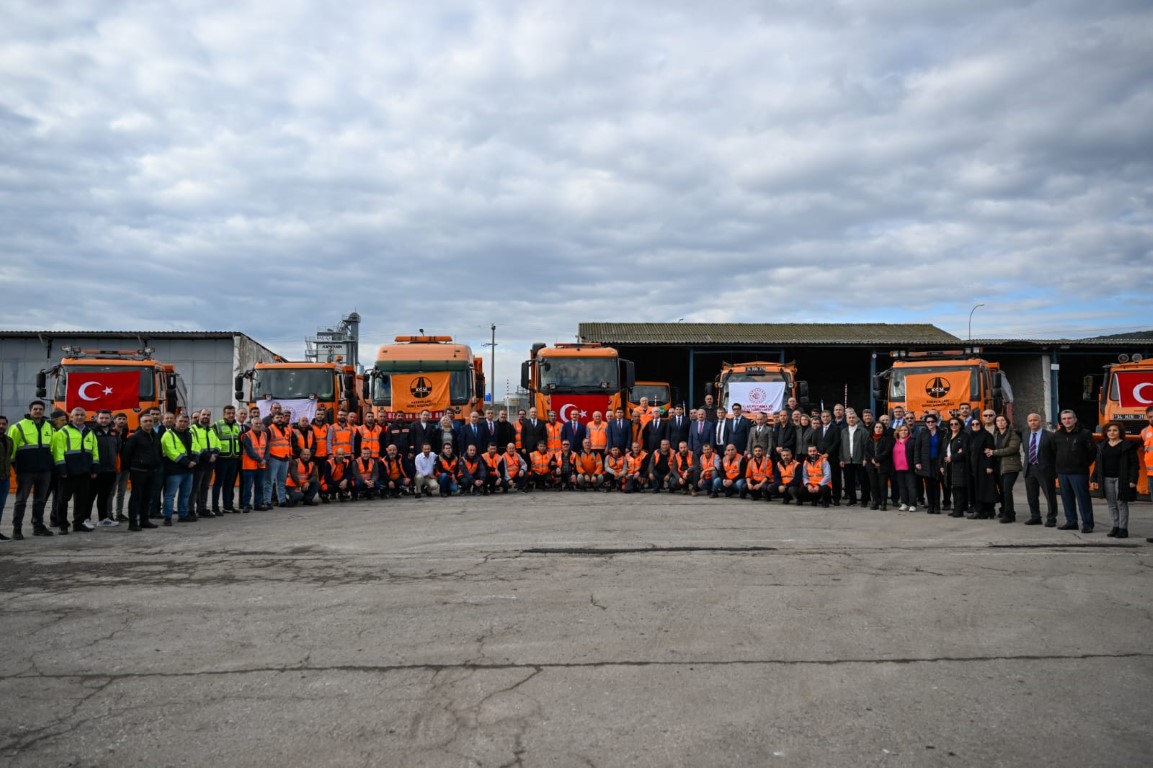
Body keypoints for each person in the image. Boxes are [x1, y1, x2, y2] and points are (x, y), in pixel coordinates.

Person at [8, 400, 56, 538]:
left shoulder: (49, 426)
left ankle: (38, 526)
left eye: (40, 409)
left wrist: (50, 466)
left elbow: (52, 448)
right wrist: (17, 468)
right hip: (25, 471)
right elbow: (12, 450)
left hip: (44, 471)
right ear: (30, 411)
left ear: (43, 411)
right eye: (35, 409)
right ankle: (17, 529)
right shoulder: (18, 427)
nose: (38, 411)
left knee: (40, 500)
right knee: (21, 500)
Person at [51, 407, 99, 533]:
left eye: (82, 415)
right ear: (71, 417)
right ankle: (63, 525)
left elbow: (95, 452)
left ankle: (78, 524)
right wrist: (62, 470)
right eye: (76, 415)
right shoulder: (62, 432)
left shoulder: (90, 432)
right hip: (68, 473)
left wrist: (94, 469)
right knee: (62, 501)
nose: (79, 417)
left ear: (85, 417)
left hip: (84, 473)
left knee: (82, 501)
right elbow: (58, 452)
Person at [1092, 421, 1138, 539]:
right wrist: (1094, 477)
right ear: (1106, 432)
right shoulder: (1102, 446)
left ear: (1120, 432)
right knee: (1111, 504)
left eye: (1115, 430)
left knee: (1122, 503)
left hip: (1122, 479)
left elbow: (1134, 464)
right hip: (1107, 479)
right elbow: (1098, 464)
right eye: (1109, 430)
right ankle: (1115, 526)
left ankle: (1123, 529)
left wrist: (1133, 479)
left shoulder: (1127, 445)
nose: (1112, 433)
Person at [1053, 410, 1096, 532]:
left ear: (1075, 419)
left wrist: (1083, 464)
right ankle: (1071, 522)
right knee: (1067, 499)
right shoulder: (1057, 435)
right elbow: (1054, 452)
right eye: (1064, 419)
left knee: (1083, 499)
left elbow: (1092, 452)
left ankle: (1087, 524)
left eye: (1069, 418)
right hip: (1062, 472)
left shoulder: (1085, 433)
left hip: (1079, 473)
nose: (1067, 421)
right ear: (1061, 421)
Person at [121, 413, 161, 530]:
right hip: (138, 471)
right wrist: (128, 471)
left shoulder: (156, 436)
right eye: (145, 421)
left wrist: (157, 464)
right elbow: (126, 455)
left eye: (150, 421)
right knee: (136, 497)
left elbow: (158, 452)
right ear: (140, 423)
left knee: (147, 497)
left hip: (151, 471)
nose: (148, 423)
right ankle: (133, 523)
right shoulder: (135, 437)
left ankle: (144, 520)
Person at [1022, 413, 1058, 526]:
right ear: (1028, 422)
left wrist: (1054, 470)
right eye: (1030, 420)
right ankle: (1035, 516)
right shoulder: (1026, 434)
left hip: (1045, 469)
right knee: (1032, 495)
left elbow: (1055, 453)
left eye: (1035, 420)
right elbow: (1026, 450)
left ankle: (1052, 518)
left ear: (1040, 421)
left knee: (1049, 495)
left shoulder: (1050, 436)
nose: (1033, 422)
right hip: (1029, 468)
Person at [161, 413, 198, 525]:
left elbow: (197, 447)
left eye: (185, 422)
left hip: (189, 470)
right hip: (174, 470)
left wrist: (195, 461)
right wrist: (187, 463)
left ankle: (183, 515)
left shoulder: (190, 433)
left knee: (185, 494)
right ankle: (167, 517)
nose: (183, 424)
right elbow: (171, 451)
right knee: (170, 495)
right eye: (180, 421)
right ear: (175, 422)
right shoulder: (168, 435)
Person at [87, 410, 121, 527]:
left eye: (106, 418)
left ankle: (103, 519)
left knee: (104, 496)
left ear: (111, 419)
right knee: (90, 496)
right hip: (95, 471)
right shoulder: (91, 432)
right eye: (101, 418)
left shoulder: (114, 433)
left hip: (110, 471)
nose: (104, 420)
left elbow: (118, 450)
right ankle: (86, 519)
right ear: (96, 419)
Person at [988, 416, 1022, 523]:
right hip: (998, 466)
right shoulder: (996, 435)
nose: (1000, 422)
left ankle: (1010, 515)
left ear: (1007, 422)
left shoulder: (1013, 433)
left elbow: (1013, 448)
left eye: (1002, 420)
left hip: (1010, 466)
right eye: (998, 421)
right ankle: (1004, 511)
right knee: (1002, 490)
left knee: (1007, 490)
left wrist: (994, 452)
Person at [212, 406, 242, 514]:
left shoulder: (236, 426)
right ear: (224, 414)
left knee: (230, 484)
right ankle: (215, 508)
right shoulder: (217, 425)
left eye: (233, 413)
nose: (231, 415)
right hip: (221, 459)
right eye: (228, 413)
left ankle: (228, 506)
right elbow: (213, 441)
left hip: (233, 459)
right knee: (218, 483)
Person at [966, 418, 997, 519]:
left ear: (981, 424)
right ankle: (982, 510)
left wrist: (989, 466)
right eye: (973, 424)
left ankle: (983, 511)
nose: (975, 425)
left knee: (984, 489)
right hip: (973, 466)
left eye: (977, 424)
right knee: (975, 488)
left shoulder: (987, 435)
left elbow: (989, 451)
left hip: (983, 467)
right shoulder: (969, 436)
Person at [914, 414, 944, 514]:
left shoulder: (942, 432)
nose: (930, 423)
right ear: (926, 423)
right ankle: (930, 506)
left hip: (937, 462)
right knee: (928, 485)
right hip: (925, 462)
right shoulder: (922, 433)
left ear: (936, 422)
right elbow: (917, 448)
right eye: (928, 422)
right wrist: (917, 462)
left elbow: (944, 448)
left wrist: (942, 463)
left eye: (932, 421)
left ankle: (937, 506)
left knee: (936, 484)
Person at [839, 410, 870, 507]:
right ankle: (852, 499)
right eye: (849, 418)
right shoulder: (843, 431)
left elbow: (866, 446)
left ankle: (864, 500)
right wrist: (841, 459)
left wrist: (865, 458)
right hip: (847, 460)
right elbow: (841, 446)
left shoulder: (863, 431)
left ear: (857, 419)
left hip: (860, 460)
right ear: (847, 419)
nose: (851, 419)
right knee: (849, 481)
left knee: (863, 480)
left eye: (853, 418)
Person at [941, 418, 969, 518]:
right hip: (948, 465)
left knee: (959, 488)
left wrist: (952, 457)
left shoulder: (964, 436)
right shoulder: (947, 436)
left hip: (959, 466)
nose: (953, 425)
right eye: (951, 424)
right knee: (953, 487)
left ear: (960, 425)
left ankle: (959, 510)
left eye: (956, 424)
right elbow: (943, 451)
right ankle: (956, 508)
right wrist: (941, 465)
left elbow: (965, 452)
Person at [240, 419, 269, 512]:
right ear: (251, 424)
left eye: (260, 423)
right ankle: (246, 505)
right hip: (249, 466)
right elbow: (249, 451)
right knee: (247, 487)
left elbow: (267, 449)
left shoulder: (265, 434)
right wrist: (261, 460)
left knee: (259, 486)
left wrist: (265, 459)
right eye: (256, 423)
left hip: (261, 465)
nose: (258, 425)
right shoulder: (246, 435)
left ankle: (258, 504)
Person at [867, 421, 893, 511]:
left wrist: (877, 459)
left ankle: (883, 503)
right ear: (873, 428)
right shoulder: (869, 438)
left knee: (883, 485)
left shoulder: (887, 438)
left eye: (880, 427)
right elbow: (866, 451)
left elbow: (887, 451)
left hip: (883, 465)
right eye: (876, 427)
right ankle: (875, 502)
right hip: (871, 465)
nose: (878, 429)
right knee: (873, 485)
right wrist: (872, 460)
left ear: (883, 429)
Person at [892, 425, 917, 511]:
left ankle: (913, 504)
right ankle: (904, 503)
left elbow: (916, 454)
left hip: (909, 468)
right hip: (897, 468)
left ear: (908, 431)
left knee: (911, 486)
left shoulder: (913, 441)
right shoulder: (894, 441)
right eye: (901, 430)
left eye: (905, 430)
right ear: (898, 432)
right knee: (902, 487)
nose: (903, 432)